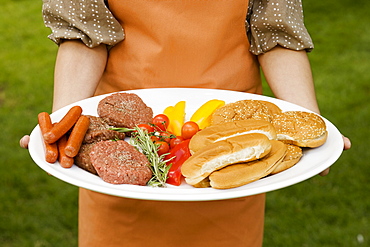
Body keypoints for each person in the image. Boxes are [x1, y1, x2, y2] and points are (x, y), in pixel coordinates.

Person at [20, 0, 351, 246]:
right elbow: (82, 33)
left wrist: (307, 124)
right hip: (125, 141)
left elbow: (277, 34)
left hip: (233, 141)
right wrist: (65, 126)